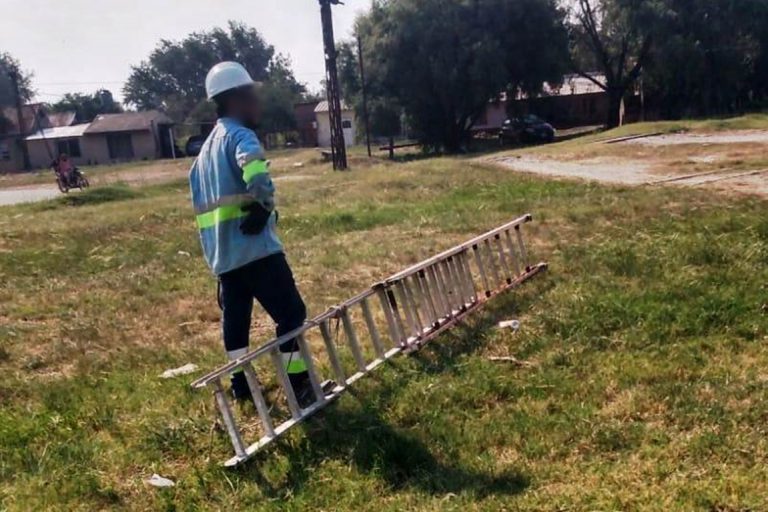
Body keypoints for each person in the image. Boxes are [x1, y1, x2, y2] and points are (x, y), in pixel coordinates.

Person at [189, 62, 316, 405]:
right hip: (258, 253)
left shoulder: (201, 157)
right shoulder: (240, 135)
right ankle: (299, 384)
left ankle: (241, 386)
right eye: (253, 96)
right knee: (291, 316)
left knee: (236, 326)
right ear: (237, 99)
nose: (258, 103)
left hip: (225, 260)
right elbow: (256, 172)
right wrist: (263, 204)